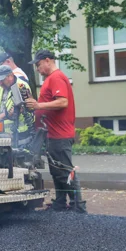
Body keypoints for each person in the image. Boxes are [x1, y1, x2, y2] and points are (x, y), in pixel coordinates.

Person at [25, 50, 86, 213]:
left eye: (38, 65)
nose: (37, 69)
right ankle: (60, 203)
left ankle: (77, 206)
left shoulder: (56, 78)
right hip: (52, 134)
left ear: (47, 61)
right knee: (57, 171)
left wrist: (39, 106)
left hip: (60, 134)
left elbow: (62, 102)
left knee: (65, 170)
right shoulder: (50, 79)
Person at [0, 64, 35, 146]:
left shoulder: (21, 87)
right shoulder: (2, 87)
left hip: (20, 134)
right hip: (6, 132)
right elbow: (2, 100)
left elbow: (25, 109)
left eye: (2, 80)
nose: (0, 83)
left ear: (10, 76)